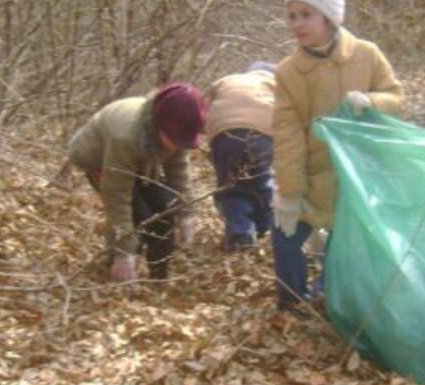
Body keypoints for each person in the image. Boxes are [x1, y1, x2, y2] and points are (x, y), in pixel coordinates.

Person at [272, 0, 403, 313]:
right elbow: (287, 134)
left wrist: (372, 101)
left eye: (306, 14)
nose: (297, 24)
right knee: (284, 238)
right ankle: (292, 303)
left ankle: (328, 299)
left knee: (341, 251)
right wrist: (290, 191)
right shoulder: (287, 72)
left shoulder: (366, 54)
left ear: (329, 17)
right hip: (312, 178)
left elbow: (397, 99)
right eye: (292, 15)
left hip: (356, 177)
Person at [68, 82, 207, 281]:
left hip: (140, 160)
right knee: (137, 215)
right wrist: (124, 254)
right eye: (175, 139)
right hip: (99, 159)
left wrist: (186, 213)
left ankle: (159, 278)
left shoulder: (178, 130)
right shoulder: (125, 137)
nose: (177, 146)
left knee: (164, 211)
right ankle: (117, 265)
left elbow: (179, 172)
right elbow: (117, 197)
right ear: (160, 125)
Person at [205, 61, 277, 251]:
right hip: (262, 134)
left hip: (223, 134)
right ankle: (265, 228)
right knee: (263, 183)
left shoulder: (227, 80)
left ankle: (241, 233)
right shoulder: (276, 83)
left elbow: (209, 100)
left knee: (231, 186)